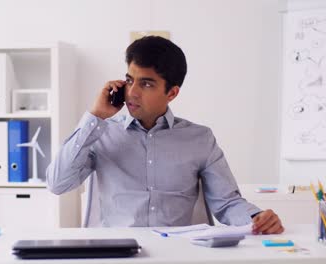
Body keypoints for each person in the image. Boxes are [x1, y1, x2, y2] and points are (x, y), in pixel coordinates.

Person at [47, 36, 284, 234]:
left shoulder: (199, 139)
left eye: (146, 84)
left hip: (178, 253)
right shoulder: (102, 132)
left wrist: (256, 217)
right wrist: (95, 116)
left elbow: (227, 202)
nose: (133, 92)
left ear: (172, 93)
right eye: (130, 80)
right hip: (120, 253)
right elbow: (57, 183)